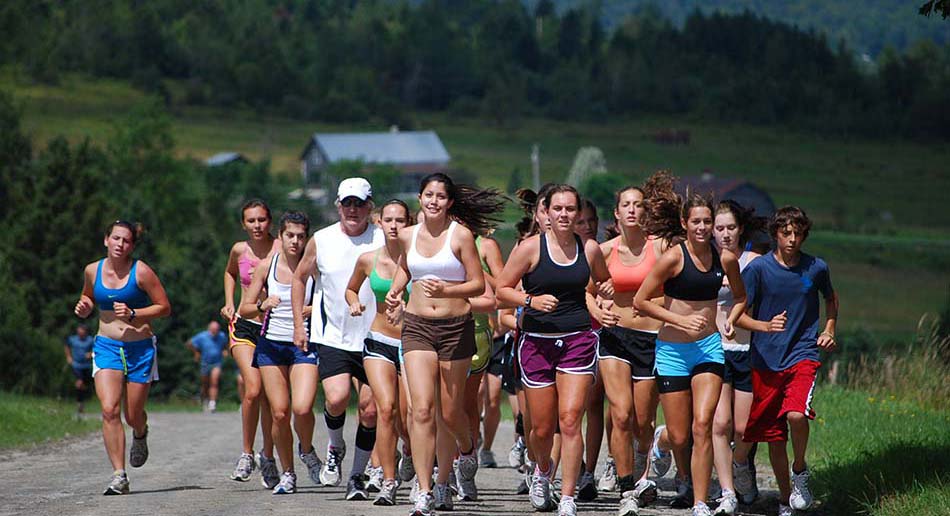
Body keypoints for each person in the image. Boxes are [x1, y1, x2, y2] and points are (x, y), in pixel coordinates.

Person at [385, 173, 505, 516]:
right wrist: (396, 292)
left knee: (451, 412)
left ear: (449, 202)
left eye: (440, 196)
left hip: (456, 328)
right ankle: (425, 489)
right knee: (421, 409)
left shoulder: (461, 236)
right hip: (418, 327)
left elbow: (478, 284)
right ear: (420, 198)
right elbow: (405, 270)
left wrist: (446, 291)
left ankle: (466, 450)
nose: (433, 201)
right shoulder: (407, 236)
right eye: (428, 195)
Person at [633, 172, 747, 516]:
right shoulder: (673, 258)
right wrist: (680, 320)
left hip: (709, 348)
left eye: (707, 222)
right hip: (671, 352)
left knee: (704, 426)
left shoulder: (724, 258)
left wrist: (729, 319)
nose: (702, 227)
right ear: (685, 223)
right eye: (696, 221)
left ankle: (700, 502)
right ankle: (661, 441)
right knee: (680, 436)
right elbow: (641, 300)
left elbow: (740, 296)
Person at [496, 184, 613, 516]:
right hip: (536, 343)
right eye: (557, 209)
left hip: (577, 340)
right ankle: (542, 472)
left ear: (578, 213)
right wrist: (531, 300)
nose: (564, 215)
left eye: (570, 209)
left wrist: (605, 291)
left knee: (571, 419)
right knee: (543, 428)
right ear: (545, 212)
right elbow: (501, 292)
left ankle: (567, 496)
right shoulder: (530, 249)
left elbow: (604, 282)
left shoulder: (589, 249)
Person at [736, 206, 838, 516]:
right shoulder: (758, 269)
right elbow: (739, 315)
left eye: (798, 233)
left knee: (796, 415)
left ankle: (801, 470)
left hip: (802, 353)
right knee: (775, 438)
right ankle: (784, 500)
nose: (792, 239)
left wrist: (829, 328)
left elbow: (830, 299)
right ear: (775, 234)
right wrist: (764, 326)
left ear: (805, 234)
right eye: (786, 233)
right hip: (766, 360)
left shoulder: (816, 268)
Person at [292, 177, 384, 500]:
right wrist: (298, 325)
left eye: (359, 203)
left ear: (370, 206)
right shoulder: (322, 239)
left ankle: (357, 477)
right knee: (335, 398)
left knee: (370, 410)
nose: (353, 210)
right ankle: (336, 445)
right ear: (338, 206)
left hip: (375, 336)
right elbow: (299, 277)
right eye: (347, 203)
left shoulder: (383, 238)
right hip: (333, 334)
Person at [73, 221, 171, 495]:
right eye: (115, 238)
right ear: (106, 240)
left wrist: (134, 314)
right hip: (106, 346)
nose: (120, 244)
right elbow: (89, 297)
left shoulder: (141, 272)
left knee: (133, 414)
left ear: (132, 246)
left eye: (126, 241)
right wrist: (85, 306)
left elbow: (164, 307)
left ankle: (140, 432)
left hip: (139, 348)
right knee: (109, 409)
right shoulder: (92, 270)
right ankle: (119, 475)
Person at [597, 186, 671, 515]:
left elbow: (679, 288)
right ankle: (628, 488)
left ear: (646, 212)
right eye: (625, 204)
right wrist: (597, 311)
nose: (631, 210)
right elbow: (586, 291)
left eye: (638, 204)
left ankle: (643, 467)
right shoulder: (603, 251)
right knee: (621, 415)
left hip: (652, 340)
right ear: (616, 213)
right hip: (614, 337)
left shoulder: (663, 248)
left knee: (642, 422)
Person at [240, 211, 319, 494]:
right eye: (290, 236)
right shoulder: (266, 266)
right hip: (271, 345)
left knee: (303, 407)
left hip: (304, 344)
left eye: (300, 236)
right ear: (281, 237)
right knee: (281, 413)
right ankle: (288, 473)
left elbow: (330, 299)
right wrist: (263, 306)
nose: (295, 242)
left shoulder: (314, 268)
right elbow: (244, 308)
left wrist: (312, 309)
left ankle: (307, 449)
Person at [345, 200, 413, 506]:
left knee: (412, 415)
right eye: (389, 219)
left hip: (414, 343)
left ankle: (412, 453)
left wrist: (410, 309)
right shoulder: (367, 259)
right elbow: (350, 288)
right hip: (378, 340)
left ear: (409, 223)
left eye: (401, 219)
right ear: (379, 223)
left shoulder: (419, 260)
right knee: (385, 410)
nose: (395, 225)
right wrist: (354, 303)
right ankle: (388, 480)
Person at [710, 200, 767, 514]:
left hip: (748, 350)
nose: (725, 234)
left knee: (744, 429)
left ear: (741, 229)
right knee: (721, 423)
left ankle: (740, 463)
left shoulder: (755, 262)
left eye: (731, 227)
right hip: (715, 350)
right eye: (720, 228)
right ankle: (727, 490)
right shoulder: (704, 261)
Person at [222, 199, 280, 487]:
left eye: (261, 220)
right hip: (244, 326)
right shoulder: (239, 250)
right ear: (243, 223)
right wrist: (229, 303)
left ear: (270, 221)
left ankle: (267, 455)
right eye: (251, 221)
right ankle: (246, 453)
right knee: (253, 388)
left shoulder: (282, 247)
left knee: (271, 396)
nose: (257, 226)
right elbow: (230, 272)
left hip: (275, 329)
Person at [186, 320, 229, 413]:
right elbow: (189, 343)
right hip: (205, 363)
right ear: (209, 329)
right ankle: (205, 400)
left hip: (217, 362)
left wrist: (224, 350)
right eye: (213, 330)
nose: (215, 332)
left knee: (214, 381)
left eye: (217, 330)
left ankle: (212, 403)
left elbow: (226, 344)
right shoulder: (202, 336)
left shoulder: (221, 336)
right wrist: (196, 352)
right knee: (205, 384)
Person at [65, 323, 95, 414]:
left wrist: (90, 354)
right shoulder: (73, 339)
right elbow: (67, 346)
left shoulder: (90, 340)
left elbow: (96, 349)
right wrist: (68, 357)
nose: (80, 332)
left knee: (83, 386)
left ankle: (82, 401)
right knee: (79, 383)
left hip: (87, 366)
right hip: (76, 365)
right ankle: (79, 403)